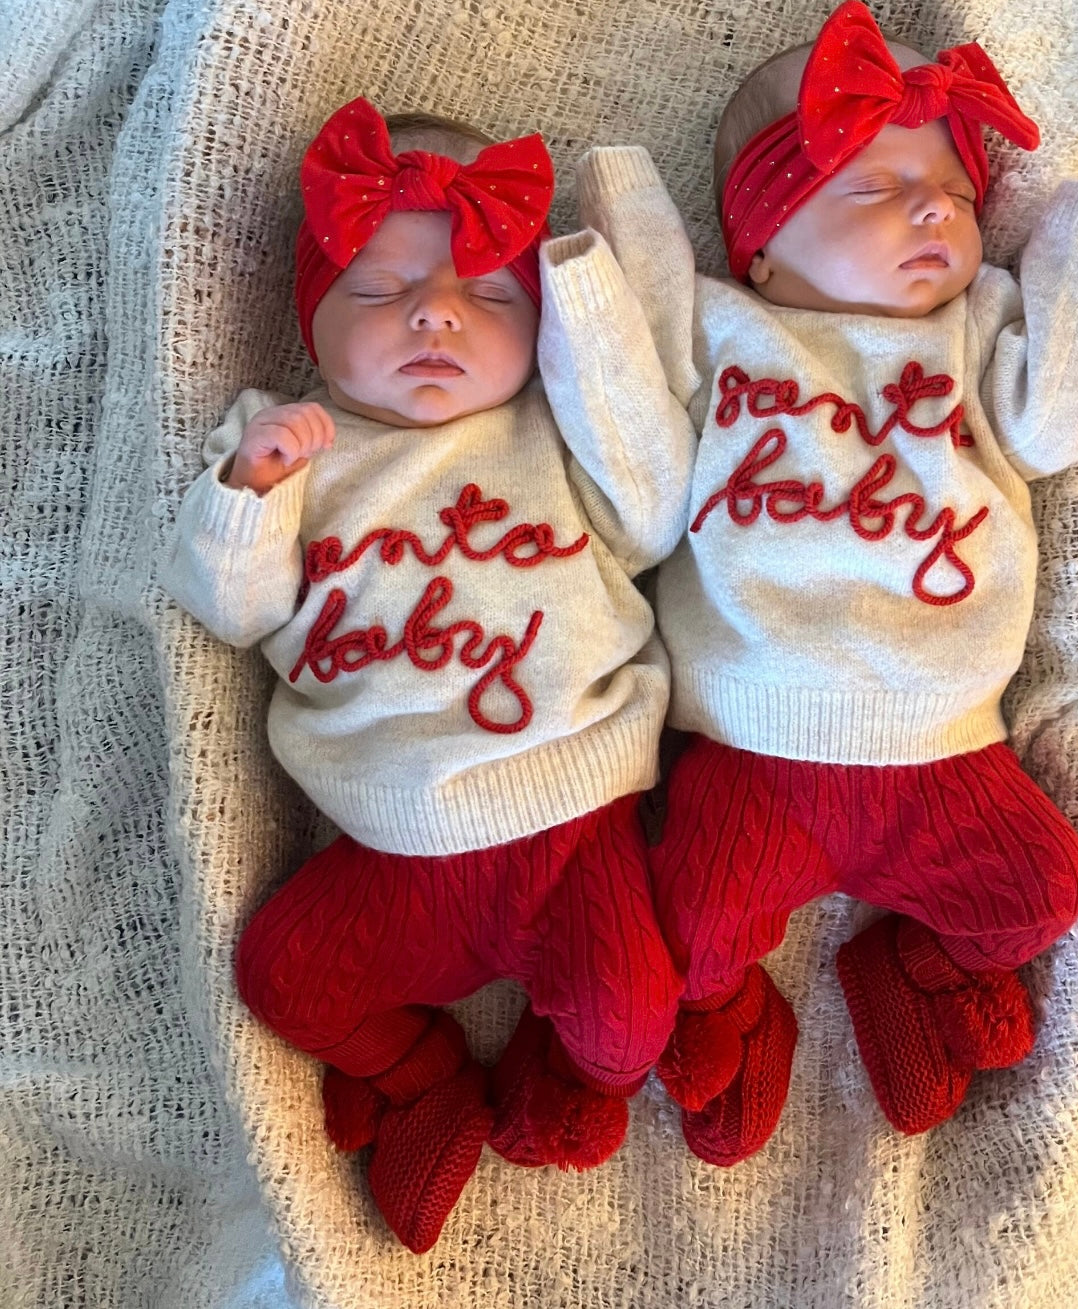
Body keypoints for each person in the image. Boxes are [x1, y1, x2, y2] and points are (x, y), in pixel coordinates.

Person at [571, 0, 1078, 1165]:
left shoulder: (968, 331)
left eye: (946, 183)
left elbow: (1060, 424)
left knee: (1041, 891)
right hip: (747, 744)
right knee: (683, 937)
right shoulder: (722, 329)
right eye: (871, 187)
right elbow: (625, 374)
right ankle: (744, 1010)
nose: (931, 205)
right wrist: (617, 206)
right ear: (760, 247)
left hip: (944, 742)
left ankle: (902, 957)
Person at [160, 97, 694, 1251]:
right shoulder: (290, 441)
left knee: (625, 1025)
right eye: (377, 290)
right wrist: (247, 492)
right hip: (386, 837)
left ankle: (554, 1072)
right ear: (313, 317)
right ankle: (425, 1074)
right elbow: (231, 610)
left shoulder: (556, 425)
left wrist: (583, 320)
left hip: (573, 821)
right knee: (283, 981)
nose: (436, 312)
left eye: (488, 295)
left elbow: (652, 512)